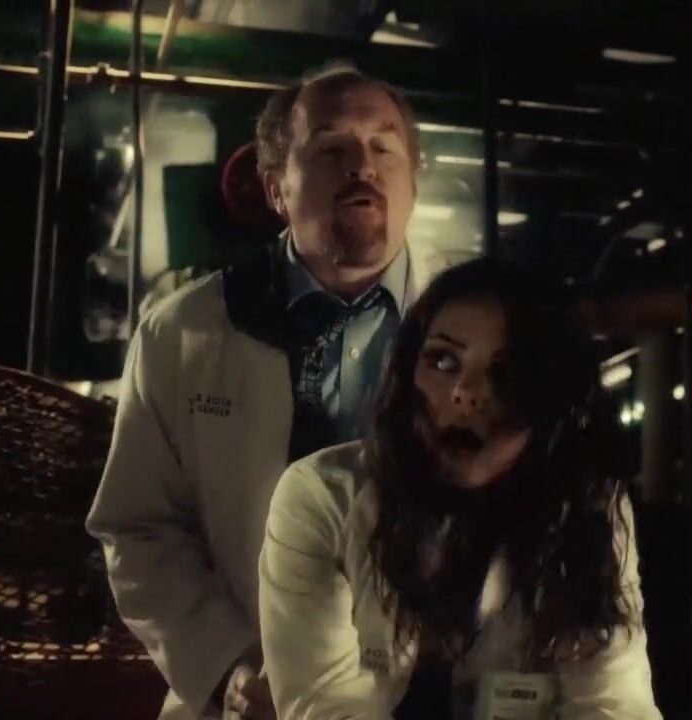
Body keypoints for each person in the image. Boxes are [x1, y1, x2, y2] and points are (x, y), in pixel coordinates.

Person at [86, 66, 449, 720]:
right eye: (332, 147)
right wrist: (226, 664)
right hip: (252, 700)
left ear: (413, 183)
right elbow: (138, 527)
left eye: (384, 146)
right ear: (277, 187)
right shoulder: (184, 333)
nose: (362, 165)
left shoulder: (476, 330)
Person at [259, 258, 663, 719]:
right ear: (407, 368)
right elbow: (328, 708)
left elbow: (615, 702)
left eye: (505, 371)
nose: (465, 393)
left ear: (553, 399)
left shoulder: (587, 507)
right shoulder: (321, 496)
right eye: (442, 360)